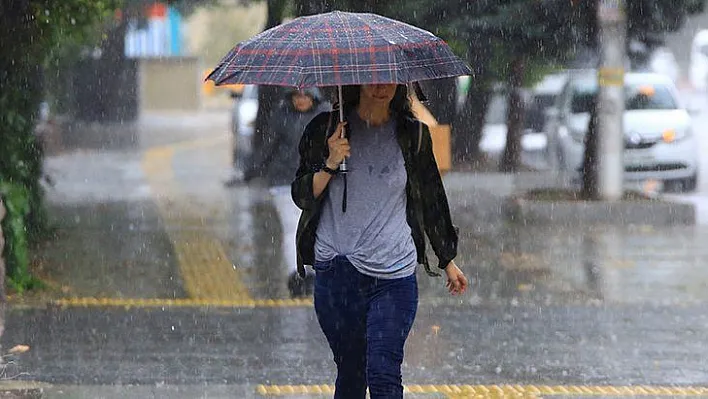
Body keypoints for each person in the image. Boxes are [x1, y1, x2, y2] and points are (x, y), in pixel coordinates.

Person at [291, 83, 468, 398]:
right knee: (351, 374)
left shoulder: (412, 135)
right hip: (337, 273)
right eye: (373, 76)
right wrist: (331, 162)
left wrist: (447, 259)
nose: (381, 85)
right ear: (355, 80)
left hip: (393, 275)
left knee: (384, 374)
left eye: (389, 77)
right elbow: (302, 195)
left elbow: (431, 198)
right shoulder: (325, 129)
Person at [247, 87, 330, 297]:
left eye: (305, 96)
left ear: (314, 97)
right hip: (284, 182)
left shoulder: (326, 116)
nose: (301, 100)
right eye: (297, 96)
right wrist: (254, 169)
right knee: (292, 229)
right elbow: (268, 146)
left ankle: (312, 272)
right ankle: (297, 274)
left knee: (314, 228)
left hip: (315, 181)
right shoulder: (280, 116)